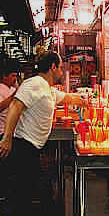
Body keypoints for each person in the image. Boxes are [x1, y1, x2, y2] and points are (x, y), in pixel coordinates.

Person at [0, 51, 87, 216]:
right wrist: (7, 138)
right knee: (20, 196)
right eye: (60, 68)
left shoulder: (47, 89)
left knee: (27, 191)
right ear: (53, 67)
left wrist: (84, 101)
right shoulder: (34, 83)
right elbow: (15, 107)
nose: (61, 71)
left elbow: (67, 97)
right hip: (22, 146)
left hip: (32, 148)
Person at [0, 57, 19, 135]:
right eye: (13, 76)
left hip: (15, 131)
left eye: (16, 76)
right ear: (4, 76)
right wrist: (13, 96)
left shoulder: (13, 89)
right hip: (3, 132)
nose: (15, 79)